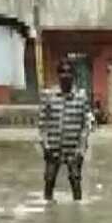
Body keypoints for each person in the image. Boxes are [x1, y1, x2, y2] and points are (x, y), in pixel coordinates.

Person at [38, 59, 91, 202]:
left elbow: (86, 125)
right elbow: (42, 124)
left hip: (73, 149)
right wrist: (45, 146)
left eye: (68, 72)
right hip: (53, 148)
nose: (65, 75)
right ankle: (48, 212)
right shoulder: (49, 97)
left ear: (73, 75)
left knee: (75, 181)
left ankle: (77, 214)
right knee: (49, 181)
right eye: (62, 72)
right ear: (58, 75)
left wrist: (81, 149)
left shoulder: (81, 97)